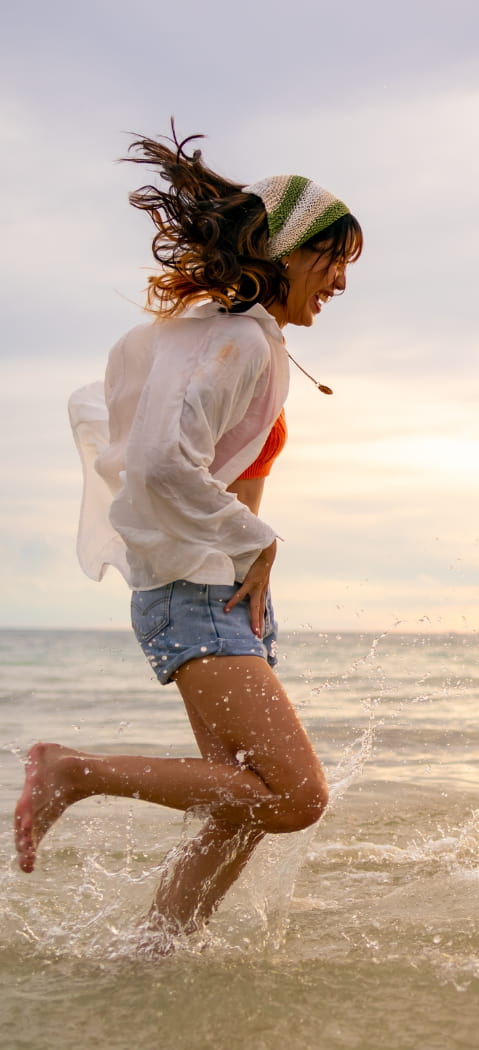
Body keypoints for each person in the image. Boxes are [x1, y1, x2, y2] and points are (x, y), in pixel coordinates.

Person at [12, 130, 363, 945]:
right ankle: (73, 770)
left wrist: (238, 553)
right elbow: (158, 461)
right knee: (294, 796)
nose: (342, 282)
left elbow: (142, 439)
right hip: (200, 589)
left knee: (239, 800)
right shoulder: (235, 339)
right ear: (283, 253)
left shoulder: (212, 335)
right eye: (332, 260)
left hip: (211, 592)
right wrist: (254, 537)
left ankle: (157, 951)